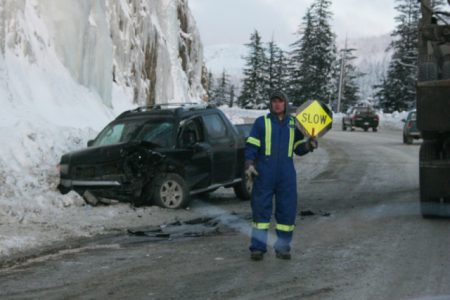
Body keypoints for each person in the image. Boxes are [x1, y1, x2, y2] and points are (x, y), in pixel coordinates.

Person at [245, 91, 317, 261]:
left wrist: (309, 145)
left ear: (285, 104)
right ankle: (257, 248)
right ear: (271, 104)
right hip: (264, 174)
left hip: (286, 175)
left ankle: (283, 248)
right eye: (274, 101)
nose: (277, 104)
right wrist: (249, 164)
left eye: (280, 101)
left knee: (287, 212)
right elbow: (252, 145)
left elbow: (299, 148)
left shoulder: (294, 124)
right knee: (260, 213)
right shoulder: (261, 123)